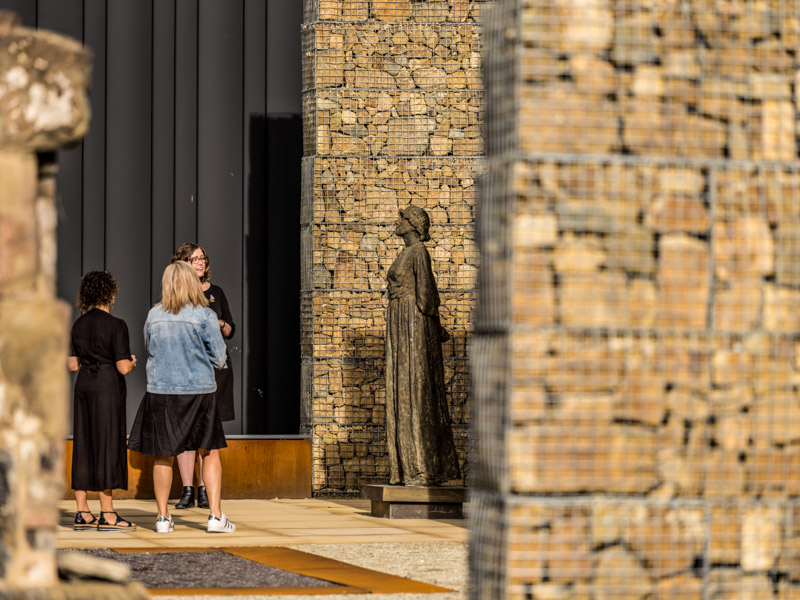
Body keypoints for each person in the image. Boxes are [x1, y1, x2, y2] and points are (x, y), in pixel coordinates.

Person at [128, 261, 236, 533]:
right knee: (209, 452)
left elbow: (149, 348)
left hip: (162, 392)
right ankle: (215, 516)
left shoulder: (154, 315)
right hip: (199, 391)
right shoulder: (205, 315)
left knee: (163, 456)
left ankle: (163, 518)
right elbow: (220, 357)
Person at [385, 205, 461, 487]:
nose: (398, 221)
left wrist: (435, 329)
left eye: (403, 218)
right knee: (404, 389)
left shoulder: (419, 253)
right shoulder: (406, 253)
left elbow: (428, 296)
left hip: (413, 326)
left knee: (416, 389)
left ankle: (423, 466)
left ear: (414, 226)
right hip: (401, 323)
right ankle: (406, 467)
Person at [68, 271, 137, 531]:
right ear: (110, 294)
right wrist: (132, 361)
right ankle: (108, 514)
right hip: (107, 388)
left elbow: (72, 364)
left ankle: (82, 512)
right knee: (107, 444)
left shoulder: (78, 325)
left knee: (84, 443)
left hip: (84, 386)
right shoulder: (116, 324)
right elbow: (121, 367)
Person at [169, 242, 236, 510]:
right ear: (182, 262)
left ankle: (203, 488)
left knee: (208, 433)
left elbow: (231, 329)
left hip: (215, 370)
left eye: (202, 259)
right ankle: (187, 488)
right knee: (185, 431)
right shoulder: (176, 293)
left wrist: (217, 322)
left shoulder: (216, 292)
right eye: (194, 259)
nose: (200, 263)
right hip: (185, 370)